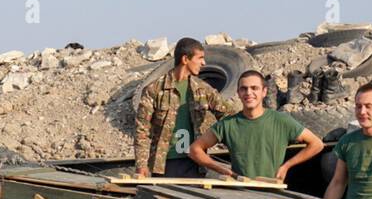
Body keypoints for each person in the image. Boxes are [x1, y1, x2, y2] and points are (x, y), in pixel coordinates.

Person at [133, 37, 239, 178]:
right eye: (200, 58)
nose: (204, 63)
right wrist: (141, 166)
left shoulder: (203, 90)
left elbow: (229, 116)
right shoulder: (155, 89)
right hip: (164, 165)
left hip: (194, 164)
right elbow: (142, 130)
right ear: (185, 59)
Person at [189, 70, 324, 180]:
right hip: (240, 195)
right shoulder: (228, 124)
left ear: (264, 92)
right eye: (244, 89)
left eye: (254, 88)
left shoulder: (281, 121)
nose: (249, 93)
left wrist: (286, 166)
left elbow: (316, 144)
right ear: (238, 93)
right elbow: (194, 150)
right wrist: (220, 169)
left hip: (273, 194)